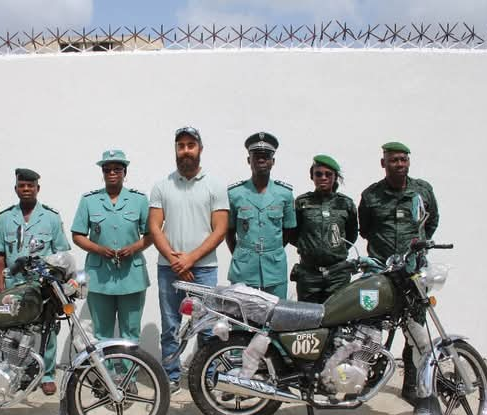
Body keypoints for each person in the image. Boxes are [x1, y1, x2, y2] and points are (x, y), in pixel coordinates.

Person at [358, 141, 439, 415]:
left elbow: (431, 222)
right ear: (384, 164)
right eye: (393, 160)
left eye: (403, 159)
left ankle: (415, 387)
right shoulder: (370, 195)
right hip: (380, 272)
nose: (399, 164)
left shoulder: (423, 191)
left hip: (413, 273)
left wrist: (415, 248)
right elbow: (365, 230)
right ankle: (367, 377)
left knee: (415, 329)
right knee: (371, 326)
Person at [148, 127, 229, 394]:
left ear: (200, 149)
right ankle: (171, 376)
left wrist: (191, 259)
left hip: (203, 270)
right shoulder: (162, 186)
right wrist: (175, 261)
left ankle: (207, 373)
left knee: (207, 327)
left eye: (190, 145)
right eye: (180, 145)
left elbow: (220, 229)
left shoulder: (214, 186)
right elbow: (155, 227)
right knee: (170, 326)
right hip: (168, 269)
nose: (185, 150)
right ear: (175, 150)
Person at [71, 150, 152, 390]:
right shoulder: (89, 200)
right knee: (102, 332)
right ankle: (105, 379)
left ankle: (129, 380)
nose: (112, 173)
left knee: (130, 331)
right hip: (100, 275)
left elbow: (151, 234)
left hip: (132, 276)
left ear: (125, 173)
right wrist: (98, 249)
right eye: (108, 170)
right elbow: (77, 234)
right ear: (103, 173)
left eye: (117, 169)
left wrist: (134, 248)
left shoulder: (139, 200)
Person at [0, 168, 70, 395]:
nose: (26, 189)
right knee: (10, 330)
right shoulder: (5, 218)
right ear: (16, 188)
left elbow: (62, 255)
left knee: (48, 330)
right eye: (22, 185)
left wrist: (59, 286)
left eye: (30, 185)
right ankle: (13, 371)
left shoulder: (51, 218)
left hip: (42, 286)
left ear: (38, 188)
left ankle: (46, 375)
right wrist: (0, 286)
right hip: (14, 284)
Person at [226, 132, 296, 299]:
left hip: (274, 268)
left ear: (273, 161)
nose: (261, 160)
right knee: (241, 319)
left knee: (275, 318)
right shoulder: (235, 193)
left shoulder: (284, 194)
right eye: (256, 156)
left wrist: (271, 251)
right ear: (249, 160)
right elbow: (229, 231)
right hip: (243, 267)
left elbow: (289, 230)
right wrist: (242, 254)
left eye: (266, 156)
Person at [291, 155, 358, 303]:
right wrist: (310, 247)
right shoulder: (302, 203)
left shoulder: (345, 204)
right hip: (309, 274)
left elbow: (351, 234)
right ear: (312, 176)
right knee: (306, 318)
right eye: (318, 174)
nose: (323, 178)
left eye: (328, 174)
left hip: (337, 275)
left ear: (335, 177)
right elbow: (293, 233)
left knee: (337, 318)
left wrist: (332, 249)